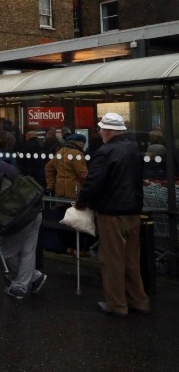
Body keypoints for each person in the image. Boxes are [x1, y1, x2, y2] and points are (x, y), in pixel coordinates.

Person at [77, 113, 150, 317]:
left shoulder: (105, 152)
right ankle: (139, 301)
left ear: (108, 132)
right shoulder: (134, 149)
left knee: (112, 260)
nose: (100, 132)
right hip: (134, 211)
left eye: (101, 129)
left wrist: (81, 202)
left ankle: (117, 304)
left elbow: (94, 182)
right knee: (131, 259)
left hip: (111, 212)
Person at [0, 150, 46, 299]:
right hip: (34, 209)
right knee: (28, 251)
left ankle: (21, 286)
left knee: (5, 251)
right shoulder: (5, 165)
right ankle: (34, 278)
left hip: (18, 217)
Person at [45, 133, 88, 200]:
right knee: (74, 210)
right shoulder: (77, 154)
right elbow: (82, 174)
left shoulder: (60, 152)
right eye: (82, 143)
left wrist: (50, 184)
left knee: (61, 209)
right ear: (77, 143)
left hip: (59, 189)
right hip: (73, 190)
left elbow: (48, 167)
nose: (83, 146)